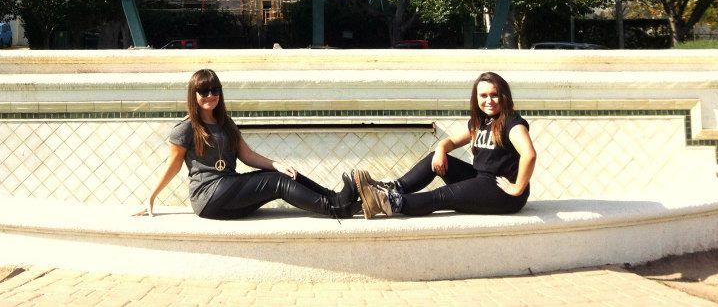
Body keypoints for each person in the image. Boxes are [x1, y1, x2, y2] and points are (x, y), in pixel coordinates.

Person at [135, 68, 358, 220]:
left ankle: (335, 198)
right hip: (208, 197)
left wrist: (276, 164)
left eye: (215, 90)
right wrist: (151, 197)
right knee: (277, 183)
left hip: (227, 188)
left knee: (286, 173)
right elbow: (173, 166)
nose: (210, 95)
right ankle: (337, 208)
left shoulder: (225, 122)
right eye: (204, 91)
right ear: (193, 95)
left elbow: (247, 155)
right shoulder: (185, 128)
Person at [353, 71, 536, 218]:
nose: (489, 100)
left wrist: (518, 187)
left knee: (443, 195)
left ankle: (387, 201)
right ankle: (393, 188)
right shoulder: (481, 123)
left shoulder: (512, 122)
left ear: (503, 96)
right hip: (481, 179)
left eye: (494, 95)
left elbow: (529, 154)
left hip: (502, 192)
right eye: (484, 95)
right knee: (435, 157)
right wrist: (441, 149)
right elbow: (451, 141)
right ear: (476, 98)